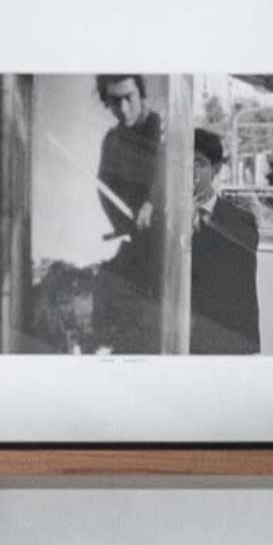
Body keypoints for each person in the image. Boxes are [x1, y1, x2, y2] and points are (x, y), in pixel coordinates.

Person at [91, 75, 166, 349]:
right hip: (136, 237)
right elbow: (103, 187)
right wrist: (123, 222)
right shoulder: (112, 140)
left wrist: (151, 203)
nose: (123, 108)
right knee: (107, 288)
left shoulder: (160, 127)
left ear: (141, 94)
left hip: (168, 241)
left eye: (129, 98)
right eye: (115, 101)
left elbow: (167, 170)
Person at [186, 121, 261, 353]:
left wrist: (189, 226)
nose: (190, 171)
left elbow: (226, 278)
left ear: (217, 169)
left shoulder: (241, 221)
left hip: (226, 341)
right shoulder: (162, 218)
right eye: (184, 163)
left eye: (199, 164)